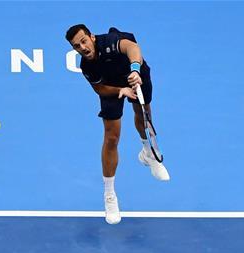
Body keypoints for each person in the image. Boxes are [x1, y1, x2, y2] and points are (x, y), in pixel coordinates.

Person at [66, 24, 170, 225]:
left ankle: (148, 153)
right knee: (111, 137)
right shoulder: (87, 66)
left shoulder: (111, 43)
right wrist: (120, 91)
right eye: (77, 46)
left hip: (135, 73)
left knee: (143, 115)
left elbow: (133, 48)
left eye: (84, 41)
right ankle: (109, 194)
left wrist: (135, 70)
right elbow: (100, 89)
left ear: (92, 37)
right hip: (112, 85)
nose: (82, 47)